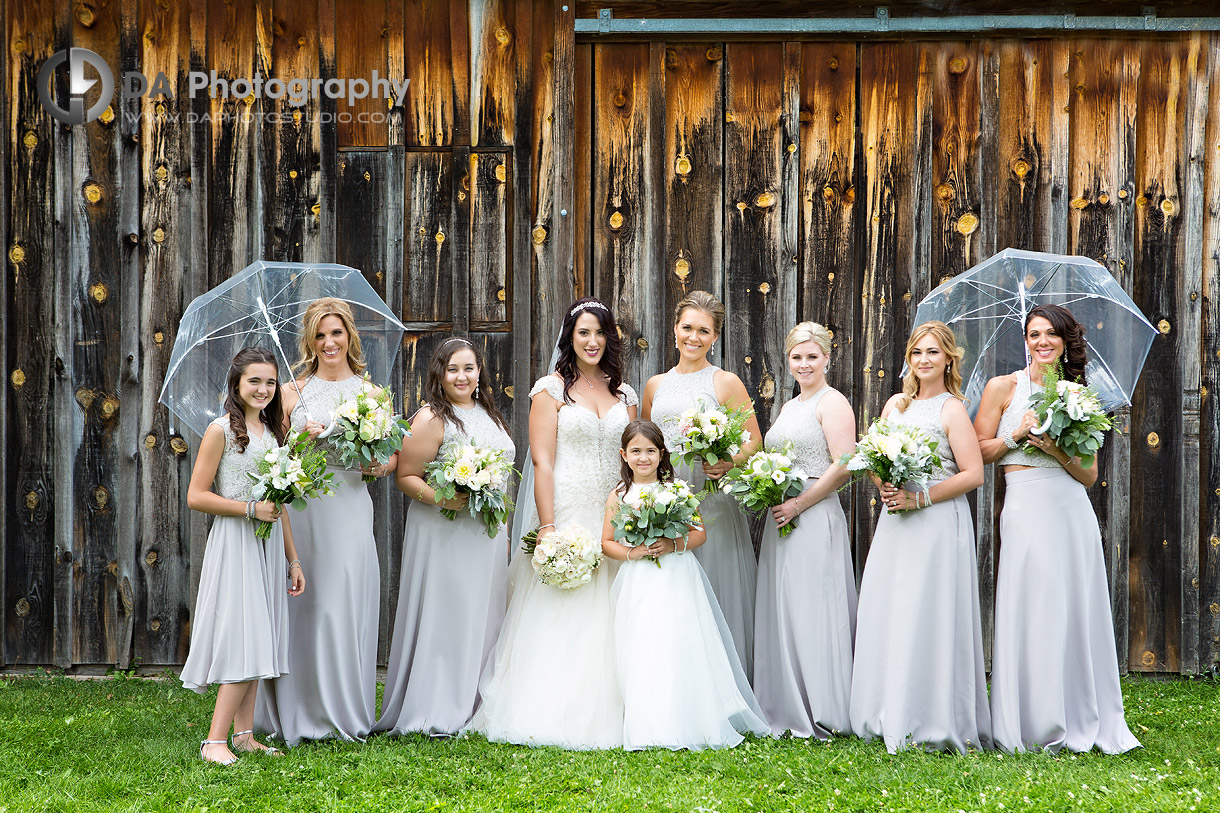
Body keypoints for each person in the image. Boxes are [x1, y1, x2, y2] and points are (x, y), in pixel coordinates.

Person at [974, 304, 1140, 754]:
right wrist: (1016, 435)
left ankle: (1079, 713)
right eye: (1033, 334)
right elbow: (977, 451)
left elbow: (1088, 475)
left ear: (1066, 342)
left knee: (1072, 606)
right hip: (1024, 505)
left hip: (1069, 508)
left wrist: (1055, 447)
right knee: (1032, 603)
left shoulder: (1079, 395)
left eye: (1050, 335)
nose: (1042, 342)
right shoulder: (1001, 388)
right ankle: (1030, 719)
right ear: (1024, 340)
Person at [472, 297, 636, 749]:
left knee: (614, 598)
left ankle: (621, 703)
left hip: (614, 507)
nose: (592, 341)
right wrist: (547, 526)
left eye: (600, 332)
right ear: (570, 337)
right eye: (583, 332)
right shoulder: (551, 389)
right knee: (568, 599)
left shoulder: (625, 393)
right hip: (568, 504)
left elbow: (634, 459)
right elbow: (542, 462)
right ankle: (555, 704)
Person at [255, 298, 395, 745]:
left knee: (343, 601)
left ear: (350, 336)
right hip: (306, 507)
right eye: (320, 334)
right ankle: (299, 708)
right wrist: (299, 437)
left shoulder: (372, 394)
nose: (329, 342)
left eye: (336, 333)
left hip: (350, 505)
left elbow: (391, 453)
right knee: (306, 604)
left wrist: (381, 466)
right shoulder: (292, 391)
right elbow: (273, 452)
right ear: (310, 341)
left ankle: (343, 710)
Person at [849, 321, 992, 753]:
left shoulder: (952, 409)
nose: (924, 360)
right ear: (908, 359)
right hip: (896, 521)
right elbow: (871, 455)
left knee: (928, 610)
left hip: (935, 523)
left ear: (948, 358)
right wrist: (884, 483)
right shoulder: (897, 405)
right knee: (893, 606)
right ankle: (887, 708)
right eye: (916, 353)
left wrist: (920, 498)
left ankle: (930, 713)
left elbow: (974, 474)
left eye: (933, 352)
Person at [375, 338, 514, 736]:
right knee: (448, 613)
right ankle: (436, 703)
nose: (462, 376)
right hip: (444, 530)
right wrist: (445, 499)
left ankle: (474, 701)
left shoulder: (490, 414)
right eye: (453, 369)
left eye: (469, 368)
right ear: (439, 372)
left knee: (482, 614)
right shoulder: (431, 417)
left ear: (479, 372)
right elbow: (405, 477)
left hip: (485, 533)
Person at [602, 420, 768, 750]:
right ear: (624, 455)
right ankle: (647, 720)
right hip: (639, 579)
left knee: (679, 639)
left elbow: (699, 534)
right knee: (643, 641)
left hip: (677, 577)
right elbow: (607, 542)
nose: (643, 458)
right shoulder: (619, 495)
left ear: (662, 454)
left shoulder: (677, 490)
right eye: (635, 451)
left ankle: (688, 715)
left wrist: (672, 545)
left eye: (650, 451)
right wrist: (633, 551)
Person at [181, 347, 306, 764]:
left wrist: (292, 558)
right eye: (254, 380)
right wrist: (250, 509)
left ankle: (245, 735)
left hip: (268, 545)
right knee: (244, 636)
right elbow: (196, 496)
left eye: (270, 382)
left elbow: (280, 503)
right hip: (236, 540)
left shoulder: (274, 433)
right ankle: (214, 741)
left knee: (261, 633)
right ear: (236, 383)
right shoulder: (220, 430)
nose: (264, 389)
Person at [642, 291, 761, 678]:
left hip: (710, 501)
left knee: (713, 582)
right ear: (675, 329)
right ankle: (675, 680)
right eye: (687, 327)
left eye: (704, 331)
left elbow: (754, 442)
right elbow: (645, 440)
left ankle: (722, 681)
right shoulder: (654, 385)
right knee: (670, 592)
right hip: (665, 499)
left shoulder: (725, 382)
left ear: (715, 337)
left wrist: (729, 461)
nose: (694, 337)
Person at [753, 323, 857, 739]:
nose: (804, 364)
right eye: (797, 357)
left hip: (813, 515)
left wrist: (800, 503)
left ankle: (824, 708)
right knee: (787, 608)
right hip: (783, 517)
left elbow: (845, 463)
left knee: (816, 608)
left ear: (828, 358)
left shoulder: (833, 403)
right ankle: (784, 701)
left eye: (812, 356)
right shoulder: (790, 405)